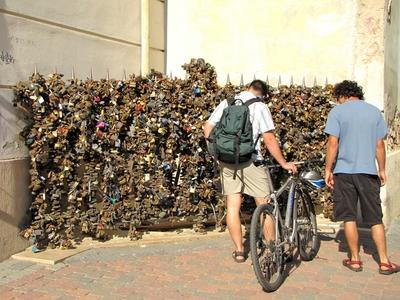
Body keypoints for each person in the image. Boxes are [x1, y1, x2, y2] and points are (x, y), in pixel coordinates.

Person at [203, 80, 297, 263]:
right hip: (252, 161)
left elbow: (207, 127)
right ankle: (271, 251)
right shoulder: (260, 106)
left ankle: (239, 251)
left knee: (232, 206)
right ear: (262, 94)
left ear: (248, 87)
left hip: (227, 161)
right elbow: (269, 139)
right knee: (264, 205)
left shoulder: (228, 102)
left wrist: (218, 152)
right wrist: (283, 163)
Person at [324, 80, 399, 275]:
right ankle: (384, 262)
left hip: (344, 172)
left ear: (342, 95)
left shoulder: (337, 112)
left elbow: (333, 143)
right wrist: (382, 169)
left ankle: (355, 259)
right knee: (375, 218)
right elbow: (379, 144)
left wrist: (328, 169)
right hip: (367, 172)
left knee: (348, 216)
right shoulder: (374, 112)